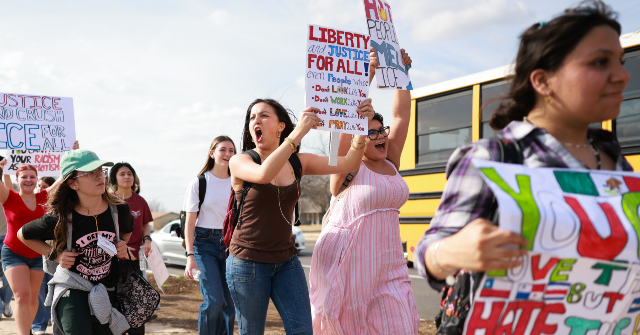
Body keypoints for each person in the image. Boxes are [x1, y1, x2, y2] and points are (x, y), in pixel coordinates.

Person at [414, 1, 631, 331]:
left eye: (621, 61)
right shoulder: (492, 158)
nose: (622, 76)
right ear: (543, 81)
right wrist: (453, 252)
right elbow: (430, 250)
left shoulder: (618, 164)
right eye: (600, 62)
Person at [227, 98, 372, 335]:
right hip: (247, 263)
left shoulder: (298, 162)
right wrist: (299, 133)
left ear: (280, 126)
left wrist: (360, 128)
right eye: (252, 117)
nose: (256, 121)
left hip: (286, 262)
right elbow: (264, 175)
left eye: (263, 115)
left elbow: (349, 163)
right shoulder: (240, 160)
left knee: (302, 330)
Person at [309, 49, 420, 334]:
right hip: (348, 265)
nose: (381, 135)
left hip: (390, 265)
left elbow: (401, 115)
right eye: (371, 132)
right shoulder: (348, 168)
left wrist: (401, 74)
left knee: (401, 326)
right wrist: (366, 74)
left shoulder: (391, 159)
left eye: (380, 129)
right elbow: (346, 122)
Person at [18, 149, 134, 335]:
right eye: (90, 173)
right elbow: (22, 234)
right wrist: (55, 255)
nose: (100, 177)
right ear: (72, 183)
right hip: (71, 286)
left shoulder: (119, 210)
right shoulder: (61, 217)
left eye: (101, 171)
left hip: (106, 287)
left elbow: (127, 231)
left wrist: (121, 245)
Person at [0, 162, 65, 335]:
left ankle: (27, 329)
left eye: (32, 177)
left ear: (37, 179)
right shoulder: (9, 197)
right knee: (22, 295)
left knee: (32, 298)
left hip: (38, 254)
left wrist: (72, 152)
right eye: (24, 177)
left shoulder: (44, 196)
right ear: (17, 179)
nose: (28, 180)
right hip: (13, 253)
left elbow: (63, 178)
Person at [182, 135, 237, 335]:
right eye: (223, 149)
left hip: (232, 244)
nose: (228, 154)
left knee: (230, 305)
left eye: (232, 150)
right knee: (214, 300)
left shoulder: (238, 181)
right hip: (205, 245)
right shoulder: (199, 183)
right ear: (212, 153)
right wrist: (190, 257)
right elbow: (190, 222)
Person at [108, 162, 154, 335]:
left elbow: (145, 225)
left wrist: (147, 240)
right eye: (122, 174)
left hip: (134, 260)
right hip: (111, 260)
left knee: (134, 303)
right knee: (113, 302)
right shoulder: (107, 199)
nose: (127, 177)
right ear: (114, 178)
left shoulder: (140, 201)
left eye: (129, 173)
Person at [31, 176, 58, 334]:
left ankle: (53, 318)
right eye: (39, 186)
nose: (40, 189)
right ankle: (39, 325)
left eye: (44, 186)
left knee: (54, 289)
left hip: (56, 252)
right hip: (38, 251)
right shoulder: (32, 203)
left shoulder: (61, 204)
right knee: (40, 291)